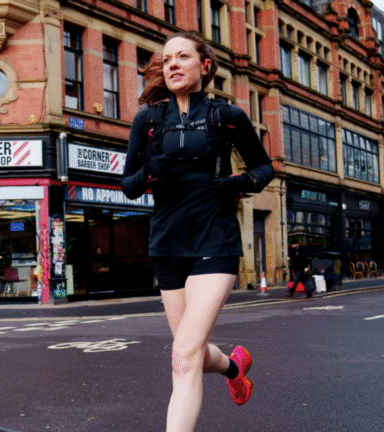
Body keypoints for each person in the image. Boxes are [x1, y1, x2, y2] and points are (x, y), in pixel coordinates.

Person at [121, 32, 273, 431]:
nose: (172, 64)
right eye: (167, 58)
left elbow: (264, 168)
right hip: (168, 243)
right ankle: (234, 366)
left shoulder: (227, 116)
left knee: (182, 357)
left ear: (204, 66)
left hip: (215, 239)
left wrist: (237, 184)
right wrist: (154, 170)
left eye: (182, 56)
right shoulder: (149, 120)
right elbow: (128, 184)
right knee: (192, 351)